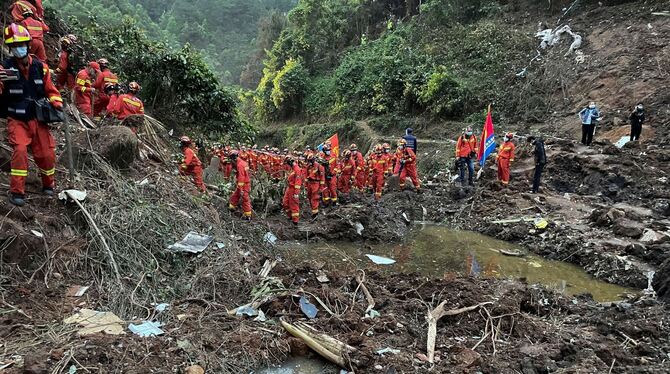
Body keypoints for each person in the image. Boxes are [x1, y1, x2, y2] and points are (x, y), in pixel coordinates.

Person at [0, 23, 63, 206]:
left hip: (38, 118)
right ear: (10, 48)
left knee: (46, 154)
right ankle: (17, 192)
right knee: (19, 151)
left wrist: (56, 102)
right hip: (17, 120)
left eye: (21, 44)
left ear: (28, 44)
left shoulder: (40, 67)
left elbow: (51, 90)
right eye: (14, 46)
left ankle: (48, 185)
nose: (18, 48)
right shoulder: (5, 68)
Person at [228, 150, 252, 220]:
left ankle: (248, 215)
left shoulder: (240, 165)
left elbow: (241, 178)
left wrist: (241, 189)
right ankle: (232, 207)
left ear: (233, 158)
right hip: (243, 183)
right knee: (235, 195)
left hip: (244, 185)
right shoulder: (243, 163)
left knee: (245, 199)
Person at [282, 157, 303, 225]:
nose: (287, 165)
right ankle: (290, 216)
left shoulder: (297, 169)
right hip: (289, 188)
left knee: (294, 205)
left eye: (288, 163)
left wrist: (296, 193)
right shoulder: (292, 169)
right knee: (285, 202)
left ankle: (295, 221)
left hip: (293, 189)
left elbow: (298, 182)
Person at [305, 153, 325, 218]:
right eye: (309, 161)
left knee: (315, 198)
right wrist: (306, 185)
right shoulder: (308, 166)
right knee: (309, 197)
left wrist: (321, 188)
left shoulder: (319, 167)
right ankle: (313, 210)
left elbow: (322, 178)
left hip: (316, 184)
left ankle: (315, 214)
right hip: (309, 184)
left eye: (310, 161)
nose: (309, 162)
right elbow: (306, 176)